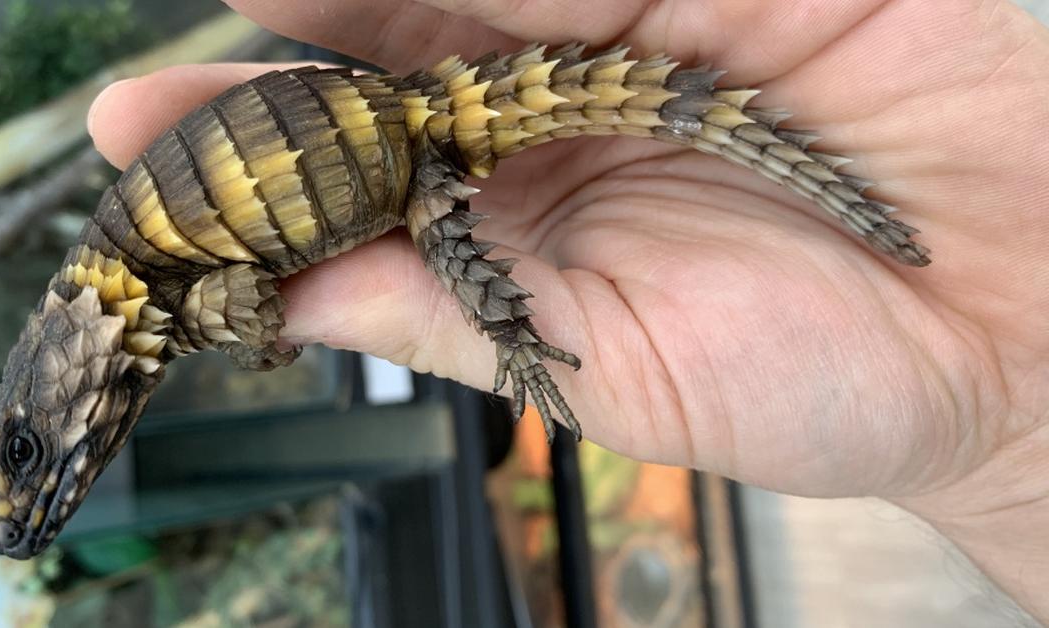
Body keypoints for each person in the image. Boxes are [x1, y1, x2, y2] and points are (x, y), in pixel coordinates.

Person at [87, 0, 1049, 620]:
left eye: (32, 450)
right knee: (435, 233)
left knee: (444, 237)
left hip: (400, 138)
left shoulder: (148, 287)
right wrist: (1009, 442)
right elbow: (242, 294)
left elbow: (252, 298)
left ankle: (517, 340)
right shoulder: (144, 291)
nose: (68, 463)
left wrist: (256, 344)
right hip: (388, 131)